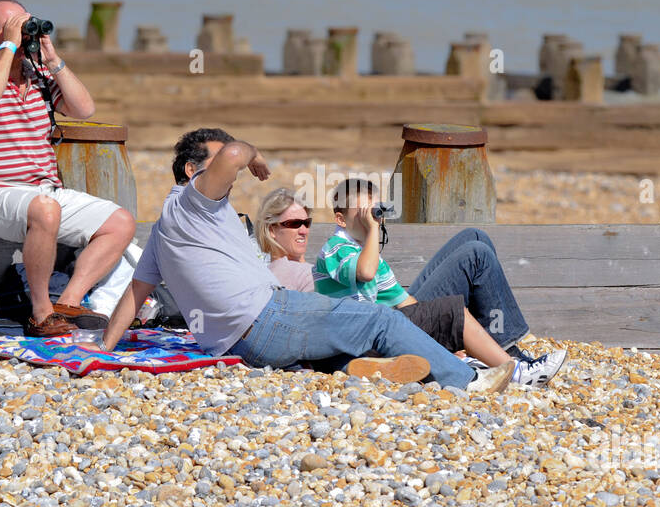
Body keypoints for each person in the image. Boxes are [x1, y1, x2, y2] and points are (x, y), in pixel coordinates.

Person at [100, 128, 518, 393]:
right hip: (266, 317)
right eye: (216, 162)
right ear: (191, 170)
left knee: (344, 335)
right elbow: (232, 156)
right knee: (380, 319)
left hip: (241, 341)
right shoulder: (194, 203)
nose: (232, 173)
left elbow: (136, 293)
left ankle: (363, 369)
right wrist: (252, 152)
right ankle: (470, 381)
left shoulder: (165, 227)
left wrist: (103, 351)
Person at [0, 0, 137, 336]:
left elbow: (84, 109)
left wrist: (52, 59)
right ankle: (40, 313)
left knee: (120, 222)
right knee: (45, 210)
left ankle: (69, 301)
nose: (21, 36)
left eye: (24, 27)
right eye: (9, 29)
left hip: (43, 192)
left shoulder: (38, 76)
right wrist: (8, 46)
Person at [313, 179, 565, 387]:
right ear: (341, 220)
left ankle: (496, 350)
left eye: (374, 209)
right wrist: (373, 230)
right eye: (362, 211)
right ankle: (516, 370)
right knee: (471, 263)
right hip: (359, 335)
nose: (371, 216)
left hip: (383, 325)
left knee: (475, 237)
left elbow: (404, 302)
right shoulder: (336, 249)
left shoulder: (368, 253)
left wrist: (437, 342)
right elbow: (365, 272)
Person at [256, 187, 314, 292]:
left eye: (306, 223)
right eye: (294, 223)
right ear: (271, 230)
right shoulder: (308, 275)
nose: (304, 231)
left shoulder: (258, 277)